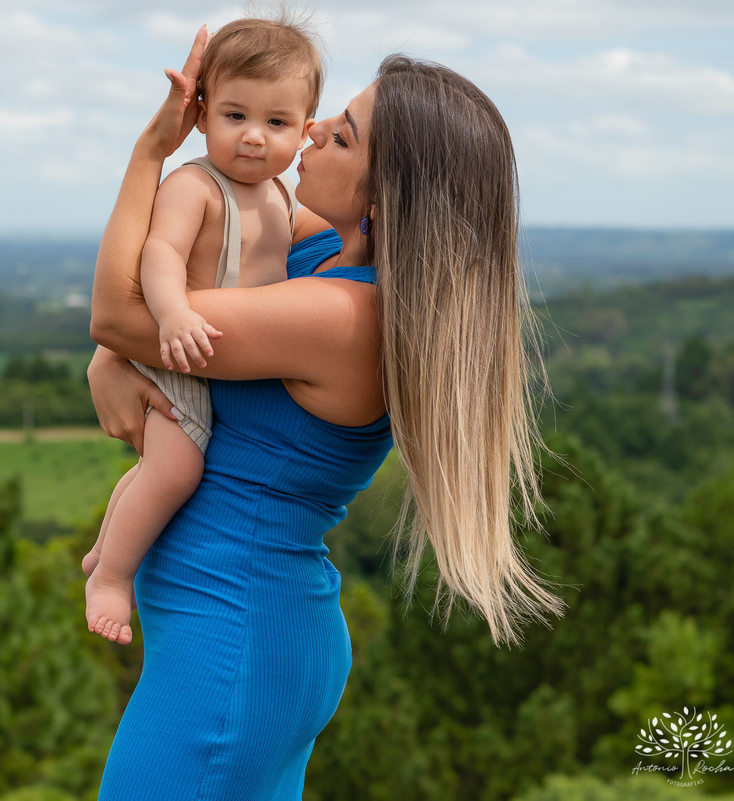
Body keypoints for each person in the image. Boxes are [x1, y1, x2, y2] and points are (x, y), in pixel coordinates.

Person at [87, 25, 565, 800]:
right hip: (239, 637)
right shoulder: (322, 256)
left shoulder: (340, 316)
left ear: (384, 193)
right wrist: (109, 362)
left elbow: (116, 312)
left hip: (232, 647)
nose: (309, 130)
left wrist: (152, 153)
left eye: (339, 134)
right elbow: (178, 281)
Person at [83, 17, 324, 646]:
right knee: (175, 470)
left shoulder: (282, 197)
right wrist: (173, 315)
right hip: (178, 351)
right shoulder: (196, 184)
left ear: (306, 127)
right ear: (201, 113)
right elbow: (161, 252)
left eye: (276, 123)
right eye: (234, 115)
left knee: (157, 465)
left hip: (207, 354)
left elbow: (331, 243)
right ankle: (111, 577)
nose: (252, 138)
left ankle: (104, 548)